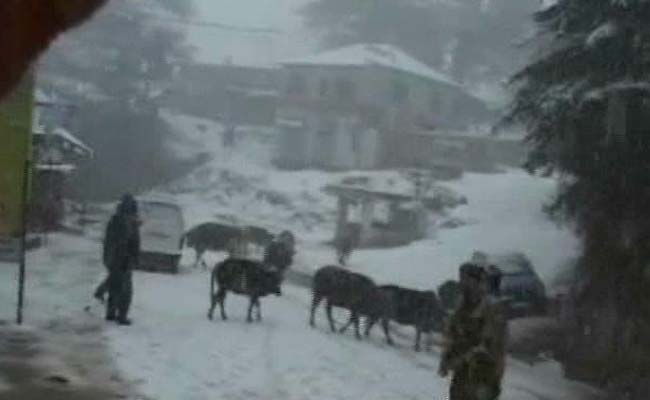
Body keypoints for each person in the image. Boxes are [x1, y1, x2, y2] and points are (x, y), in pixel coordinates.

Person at [438, 263, 507, 400]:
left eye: (466, 279)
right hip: (461, 374)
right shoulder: (461, 305)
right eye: (461, 278)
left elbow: (491, 345)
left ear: (477, 281)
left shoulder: (491, 308)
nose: (462, 283)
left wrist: (463, 356)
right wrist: (445, 359)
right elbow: (451, 334)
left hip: (483, 374)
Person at [101, 194, 140, 325]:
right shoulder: (128, 222)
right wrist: (132, 258)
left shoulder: (115, 219)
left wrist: (108, 259)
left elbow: (108, 241)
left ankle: (110, 313)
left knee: (114, 286)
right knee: (126, 291)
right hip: (123, 260)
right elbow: (130, 243)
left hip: (112, 259)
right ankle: (122, 316)